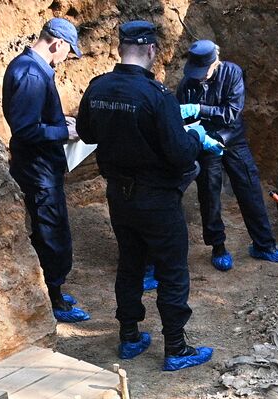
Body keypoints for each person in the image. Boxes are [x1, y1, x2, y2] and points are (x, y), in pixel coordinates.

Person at [79, 20, 220, 371]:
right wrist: (196, 138)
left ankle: (129, 336)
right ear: (152, 50)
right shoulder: (157, 97)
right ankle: (175, 348)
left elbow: (84, 132)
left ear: (119, 49)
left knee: (130, 264)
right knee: (172, 270)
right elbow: (180, 154)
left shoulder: (98, 88)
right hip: (157, 198)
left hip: (118, 195)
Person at [175, 40, 278, 271]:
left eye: (203, 72)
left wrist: (199, 109)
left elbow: (231, 113)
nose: (199, 77)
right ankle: (218, 247)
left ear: (215, 63)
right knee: (209, 195)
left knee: (249, 188)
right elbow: (180, 122)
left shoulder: (232, 73)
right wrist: (195, 132)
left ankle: (264, 245)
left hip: (233, 139)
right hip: (206, 143)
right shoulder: (187, 84)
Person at [2, 18, 89, 323]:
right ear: (57, 44)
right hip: (38, 171)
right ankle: (53, 301)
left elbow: (31, 119)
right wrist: (64, 133)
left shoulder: (28, 67)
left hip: (39, 165)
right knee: (52, 234)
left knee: (47, 231)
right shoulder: (31, 75)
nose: (67, 58)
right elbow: (25, 129)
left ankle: (53, 292)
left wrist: (58, 121)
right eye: (68, 51)